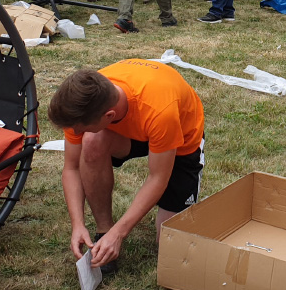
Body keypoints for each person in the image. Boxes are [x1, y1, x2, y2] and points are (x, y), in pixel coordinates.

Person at [48, 60, 204, 274]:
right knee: (92, 141)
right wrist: (78, 224)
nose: (73, 133)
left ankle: (113, 235)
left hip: (179, 140)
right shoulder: (82, 103)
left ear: (109, 117)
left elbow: (158, 177)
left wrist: (120, 234)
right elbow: (72, 168)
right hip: (136, 125)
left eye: (77, 130)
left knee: (169, 245)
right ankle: (104, 231)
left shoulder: (161, 112)